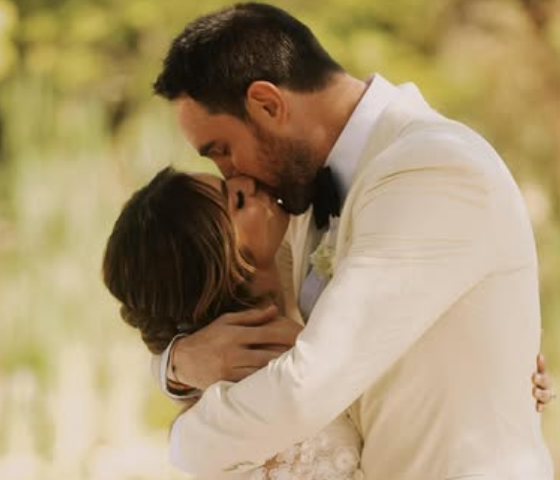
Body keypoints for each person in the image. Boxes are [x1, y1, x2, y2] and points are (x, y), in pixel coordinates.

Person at [149, 3, 556, 479]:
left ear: (267, 104)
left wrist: (184, 441)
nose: (230, 175)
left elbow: (307, 384)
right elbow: (213, 307)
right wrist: (176, 365)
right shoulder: (292, 201)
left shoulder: (433, 166)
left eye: (222, 150)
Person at [102, 166, 554, 480]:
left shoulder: (298, 260)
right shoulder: (257, 385)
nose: (244, 180)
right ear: (225, 260)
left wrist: (497, 363)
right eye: (234, 199)